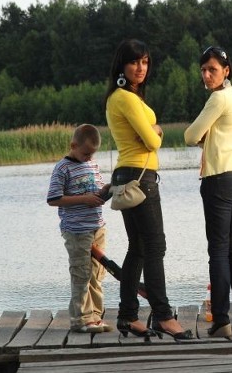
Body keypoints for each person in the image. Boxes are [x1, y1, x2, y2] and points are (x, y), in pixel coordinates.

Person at [104, 39, 193, 340]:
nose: (140, 68)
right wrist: (156, 130)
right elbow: (152, 141)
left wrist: (150, 131)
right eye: (134, 62)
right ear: (122, 65)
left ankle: (128, 316)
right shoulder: (126, 99)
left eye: (144, 62)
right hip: (140, 178)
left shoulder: (122, 97)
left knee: (138, 248)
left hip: (126, 175)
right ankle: (164, 316)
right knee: (155, 246)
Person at [184, 46, 232, 337]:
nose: (206, 74)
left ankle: (222, 320)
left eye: (212, 69)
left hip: (220, 179)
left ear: (226, 71)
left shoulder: (218, 98)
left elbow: (189, 136)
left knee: (219, 250)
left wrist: (205, 142)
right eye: (203, 69)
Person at [47, 124, 112, 333]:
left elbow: (96, 193)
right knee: (81, 274)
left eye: (92, 154)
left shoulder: (92, 165)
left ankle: (95, 316)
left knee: (97, 274)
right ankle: (80, 320)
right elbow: (53, 199)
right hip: (76, 230)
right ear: (73, 145)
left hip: (97, 227)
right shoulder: (62, 168)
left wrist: (108, 190)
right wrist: (84, 199)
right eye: (85, 153)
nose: (88, 157)